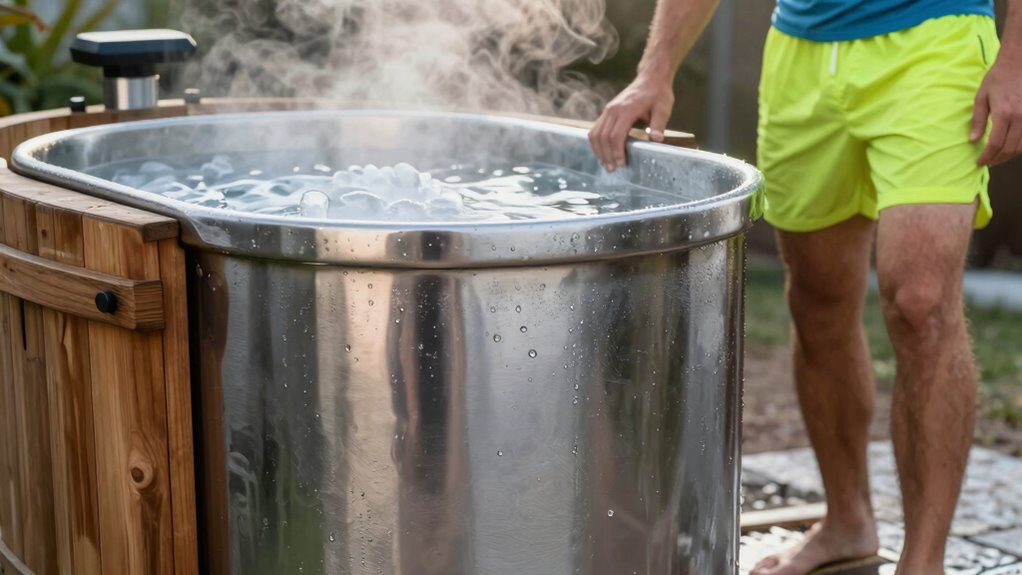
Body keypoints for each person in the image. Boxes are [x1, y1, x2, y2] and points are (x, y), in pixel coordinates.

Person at [589, 1, 1022, 574]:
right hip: (801, 53)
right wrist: (656, 68)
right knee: (817, 300)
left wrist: (1015, 57)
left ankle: (924, 560)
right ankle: (847, 520)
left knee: (922, 304)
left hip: (935, 43)